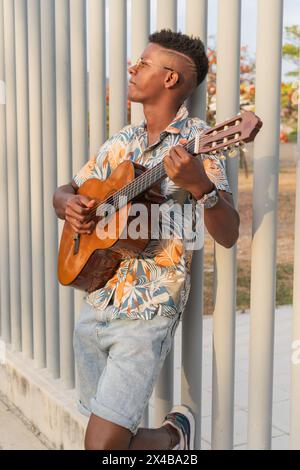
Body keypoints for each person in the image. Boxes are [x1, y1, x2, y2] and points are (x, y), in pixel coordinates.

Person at [53, 29, 240, 450]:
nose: (132, 69)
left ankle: (175, 436)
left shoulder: (201, 143)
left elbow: (229, 233)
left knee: (102, 447)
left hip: (148, 308)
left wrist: (201, 188)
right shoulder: (123, 140)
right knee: (108, 438)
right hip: (98, 298)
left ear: (170, 79)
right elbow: (66, 189)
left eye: (143, 64)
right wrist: (70, 205)